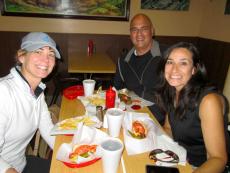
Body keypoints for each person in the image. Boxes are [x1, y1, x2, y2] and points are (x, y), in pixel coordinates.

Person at [153, 42, 230, 172]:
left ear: (194, 69)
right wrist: (150, 141)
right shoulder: (172, 91)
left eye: (183, 63)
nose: (174, 69)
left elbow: (218, 159)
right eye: (170, 62)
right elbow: (168, 128)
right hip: (179, 158)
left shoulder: (208, 101)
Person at [0, 32, 61, 173]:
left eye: (51, 54)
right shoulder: (3, 92)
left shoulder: (37, 92)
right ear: (22, 56)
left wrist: (71, 151)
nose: (45, 60)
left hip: (21, 164)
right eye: (38, 51)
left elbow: (48, 130)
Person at [113, 13, 164, 124]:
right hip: (130, 117)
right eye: (134, 30)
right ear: (130, 34)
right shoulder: (123, 60)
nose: (139, 34)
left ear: (152, 31)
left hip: (159, 121)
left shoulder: (167, 57)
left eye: (144, 29)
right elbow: (117, 90)